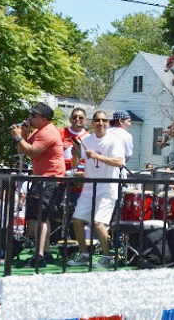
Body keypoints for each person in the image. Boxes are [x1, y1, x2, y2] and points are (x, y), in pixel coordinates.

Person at [67, 111, 125, 268]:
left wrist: (97, 156)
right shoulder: (87, 140)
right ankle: (85, 254)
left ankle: (107, 257)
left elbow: (119, 162)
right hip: (89, 187)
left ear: (108, 123)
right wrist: (75, 155)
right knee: (77, 220)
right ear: (92, 123)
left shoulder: (114, 141)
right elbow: (75, 164)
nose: (100, 123)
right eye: (97, 120)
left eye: (103, 120)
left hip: (107, 187)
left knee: (99, 223)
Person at [10, 102, 65, 267]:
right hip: (41, 178)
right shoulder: (38, 131)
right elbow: (22, 151)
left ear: (43, 118)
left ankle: (39, 256)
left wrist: (19, 137)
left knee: (40, 217)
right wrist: (24, 135)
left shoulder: (47, 132)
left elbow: (32, 152)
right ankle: (45, 252)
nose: (30, 118)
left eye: (33, 115)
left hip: (49, 179)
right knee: (41, 217)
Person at [59, 108, 90, 174]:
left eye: (81, 117)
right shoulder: (60, 132)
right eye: (74, 117)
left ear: (85, 120)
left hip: (80, 173)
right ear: (70, 119)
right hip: (62, 171)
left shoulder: (89, 137)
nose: (77, 119)